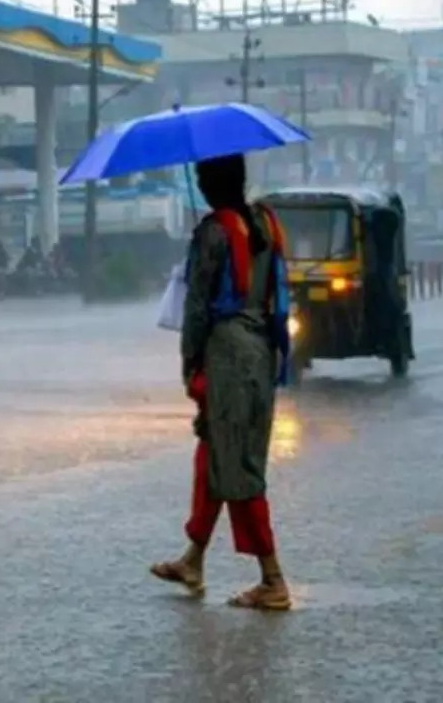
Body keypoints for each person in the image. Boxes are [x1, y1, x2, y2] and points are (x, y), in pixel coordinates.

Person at [149, 154, 293, 611]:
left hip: (227, 354)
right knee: (216, 452)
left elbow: (196, 308)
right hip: (262, 349)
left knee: (239, 466)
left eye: (201, 178)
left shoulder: (213, 232)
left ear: (211, 184)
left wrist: (190, 363)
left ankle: (272, 578)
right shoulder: (267, 223)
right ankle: (194, 558)